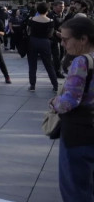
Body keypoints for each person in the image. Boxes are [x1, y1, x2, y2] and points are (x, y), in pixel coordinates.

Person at [52, 17, 94, 201]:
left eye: (66, 39)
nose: (63, 43)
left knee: (75, 189)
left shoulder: (82, 61)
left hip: (79, 131)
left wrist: (55, 102)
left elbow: (69, 102)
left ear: (83, 39)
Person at [27, 2, 59, 92]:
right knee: (48, 64)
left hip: (33, 42)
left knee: (32, 64)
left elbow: (28, 32)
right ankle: (55, 85)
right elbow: (50, 34)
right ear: (47, 11)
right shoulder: (50, 21)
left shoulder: (31, 19)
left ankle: (32, 85)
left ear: (37, 10)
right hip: (45, 42)